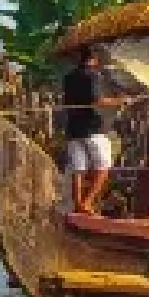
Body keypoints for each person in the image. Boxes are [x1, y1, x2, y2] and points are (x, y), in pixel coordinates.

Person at [61, 46, 115, 214]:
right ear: (94, 59)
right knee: (104, 168)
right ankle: (87, 202)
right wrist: (120, 101)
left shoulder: (68, 77)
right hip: (92, 129)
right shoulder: (93, 75)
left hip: (74, 129)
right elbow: (96, 100)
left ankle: (78, 204)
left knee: (79, 168)